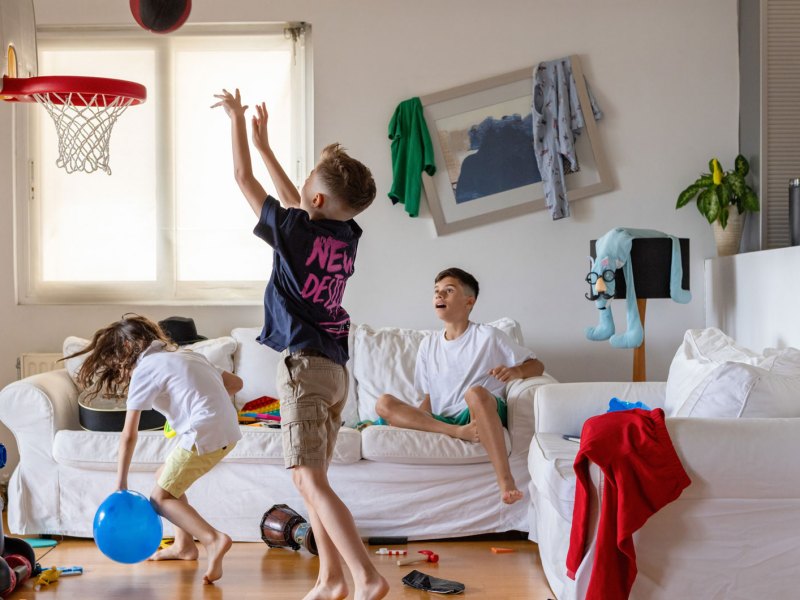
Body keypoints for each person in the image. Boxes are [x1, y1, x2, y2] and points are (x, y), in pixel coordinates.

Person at [213, 88, 389, 600]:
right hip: (334, 373)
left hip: (304, 369)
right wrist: (265, 146)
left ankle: (366, 577)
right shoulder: (346, 235)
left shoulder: (294, 231)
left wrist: (237, 121)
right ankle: (331, 579)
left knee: (310, 480)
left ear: (316, 200)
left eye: (309, 177)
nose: (304, 183)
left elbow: (243, 180)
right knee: (309, 480)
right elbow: (297, 202)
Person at [66, 315, 242, 585]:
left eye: (117, 359)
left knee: (160, 499)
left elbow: (128, 435)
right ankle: (184, 546)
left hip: (202, 432)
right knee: (165, 476)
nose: (119, 368)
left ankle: (213, 539)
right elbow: (236, 384)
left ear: (127, 348)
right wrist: (193, 401)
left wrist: (120, 484)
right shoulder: (189, 355)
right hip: (228, 430)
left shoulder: (145, 369)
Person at [375, 267, 545, 505]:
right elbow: (429, 397)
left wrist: (515, 371)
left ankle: (506, 481)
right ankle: (456, 432)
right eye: (436, 291)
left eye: (449, 290)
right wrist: (417, 420)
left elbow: (536, 365)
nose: (439, 295)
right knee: (384, 403)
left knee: (475, 393)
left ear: (469, 301)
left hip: (478, 412)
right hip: (445, 420)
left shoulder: (488, 336)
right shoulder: (428, 345)